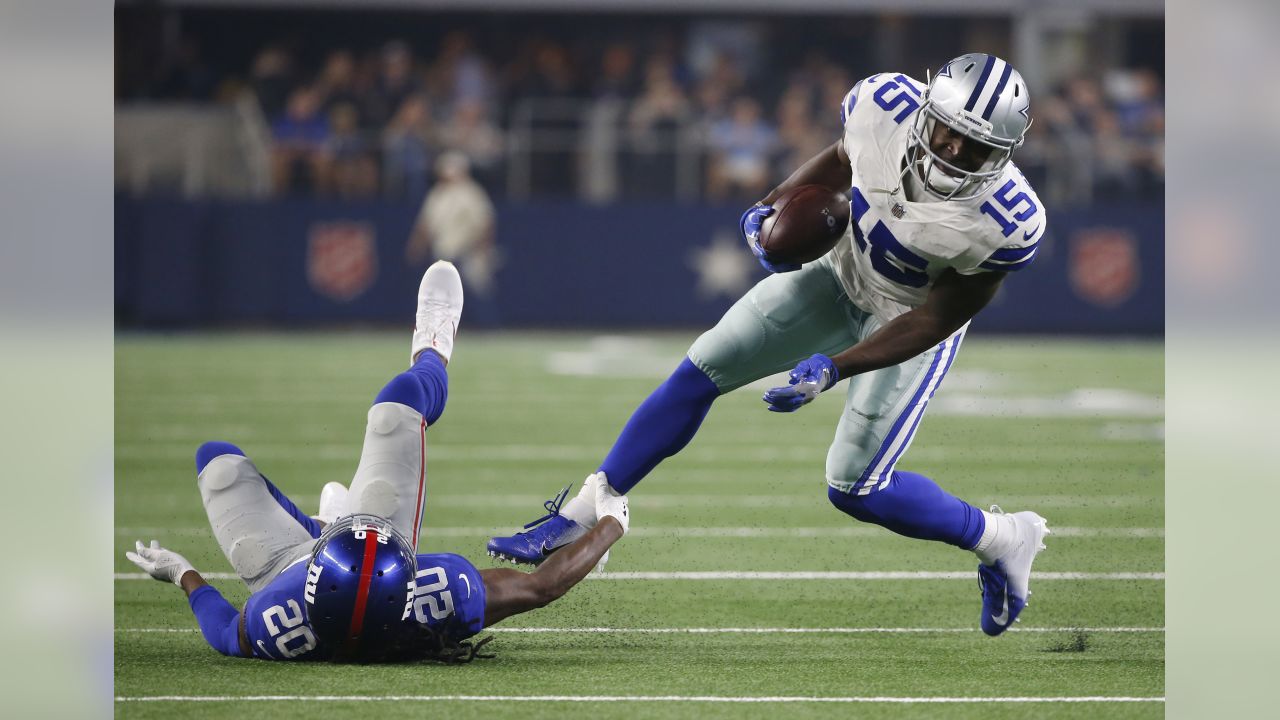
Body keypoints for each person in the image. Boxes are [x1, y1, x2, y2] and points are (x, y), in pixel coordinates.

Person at [489, 54, 1050, 637]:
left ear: (1006, 153)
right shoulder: (883, 106)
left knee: (856, 487)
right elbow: (839, 160)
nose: (955, 154)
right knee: (704, 365)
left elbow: (937, 318)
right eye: (950, 133)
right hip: (838, 275)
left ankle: (1003, 538)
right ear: (930, 110)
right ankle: (587, 511)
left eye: (976, 149)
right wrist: (774, 203)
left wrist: (835, 368)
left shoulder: (1006, 221)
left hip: (906, 319)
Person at [125, 262, 629, 662]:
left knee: (216, 464)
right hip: (375, 539)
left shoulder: (280, 620)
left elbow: (221, 630)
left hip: (287, 567)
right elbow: (543, 585)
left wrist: (185, 575)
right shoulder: (438, 593)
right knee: (395, 410)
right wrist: (611, 520)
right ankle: (433, 349)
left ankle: (324, 525)